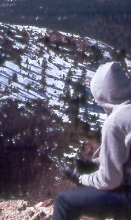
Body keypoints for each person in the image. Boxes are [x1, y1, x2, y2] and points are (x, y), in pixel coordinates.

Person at [52, 62, 131, 220]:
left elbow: (110, 181)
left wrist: (79, 177)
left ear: (103, 96)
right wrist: (95, 163)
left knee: (64, 201)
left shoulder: (115, 123)